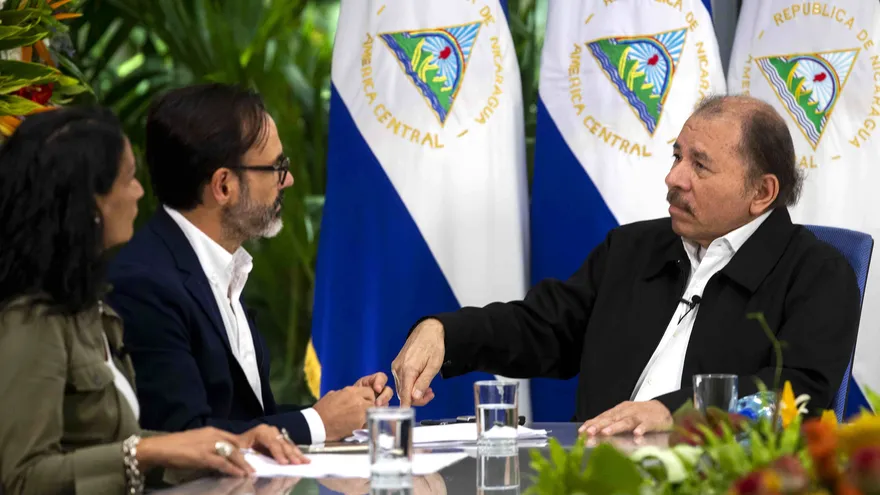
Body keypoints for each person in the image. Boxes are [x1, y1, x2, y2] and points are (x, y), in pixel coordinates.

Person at [391, 95, 861, 436]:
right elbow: (543, 327)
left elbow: (794, 393)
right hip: (594, 474)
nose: (673, 178)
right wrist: (446, 332)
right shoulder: (634, 248)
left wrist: (674, 411)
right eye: (677, 155)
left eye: (700, 166)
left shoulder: (819, 274)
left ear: (762, 193)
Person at [0, 107, 306, 495]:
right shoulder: (31, 321)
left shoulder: (86, 311)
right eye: (128, 179)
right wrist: (147, 452)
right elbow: (20, 477)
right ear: (89, 203)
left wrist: (221, 445)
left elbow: (119, 447)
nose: (140, 192)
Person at [107, 83, 392, 445]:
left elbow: (244, 419)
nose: (287, 180)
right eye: (276, 167)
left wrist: (342, 410)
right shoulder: (146, 282)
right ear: (223, 186)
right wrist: (316, 423)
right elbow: (180, 436)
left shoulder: (219, 267)